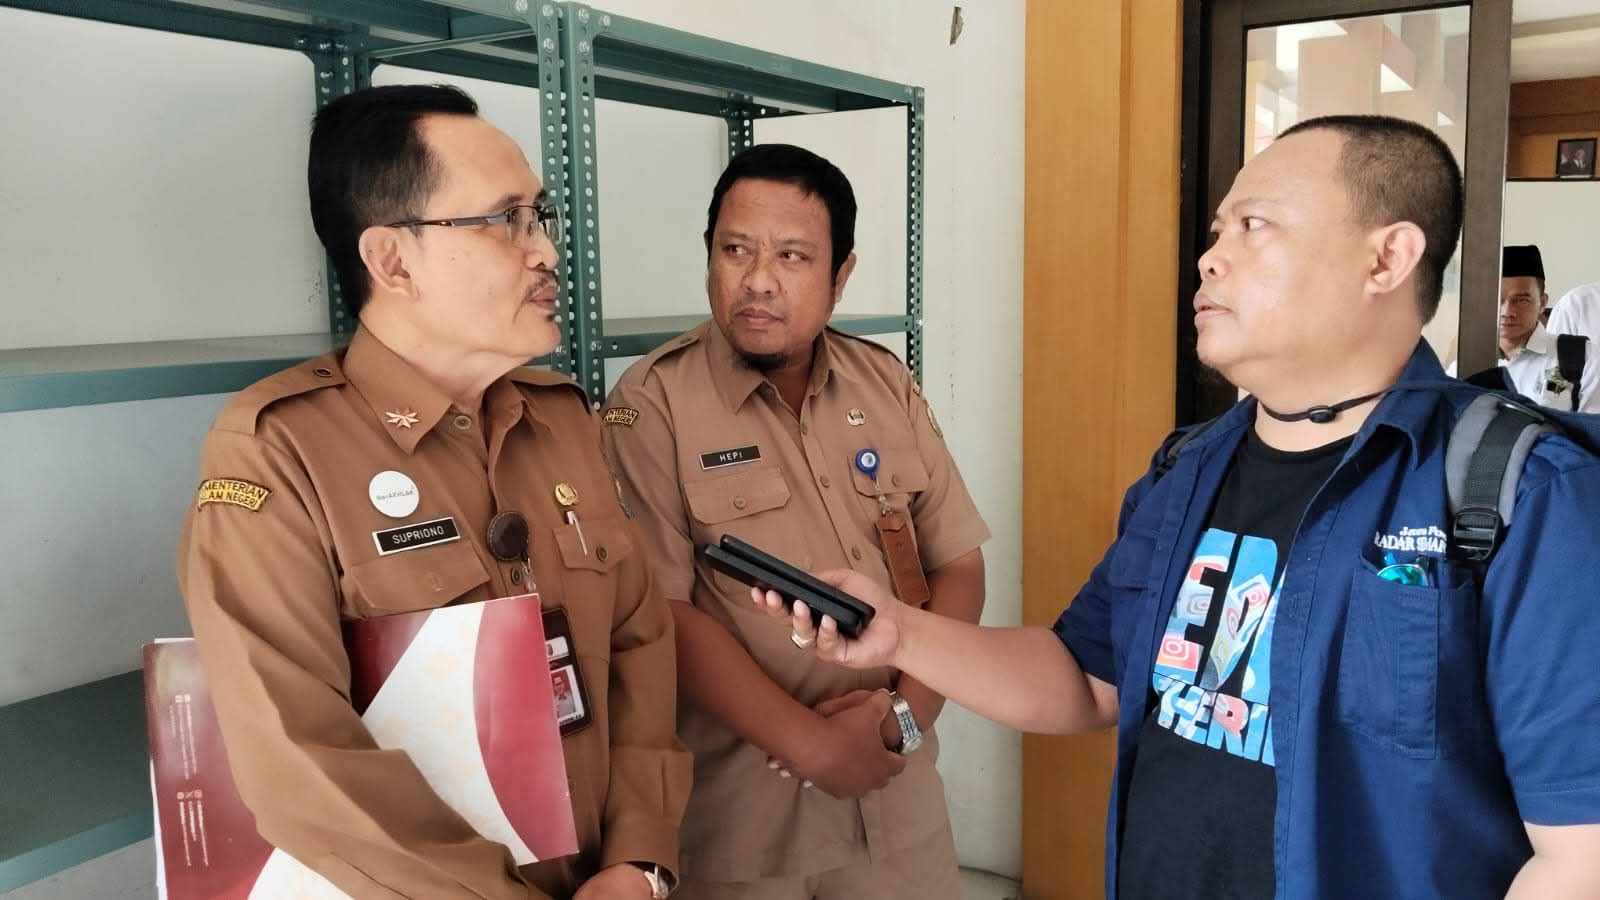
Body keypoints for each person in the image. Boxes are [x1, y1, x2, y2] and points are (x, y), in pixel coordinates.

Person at [758, 115, 1600, 898]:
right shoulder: (1187, 469)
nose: (1211, 259)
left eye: (1254, 226)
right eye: (1217, 231)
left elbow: (1578, 856)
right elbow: (1084, 679)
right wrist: (901, 633)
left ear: (1386, 259)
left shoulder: (1518, 495)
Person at [178, 84, 688, 900]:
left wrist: (640, 859)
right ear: (391, 260)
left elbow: (640, 644)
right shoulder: (279, 453)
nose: (546, 252)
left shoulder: (562, 420)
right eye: (504, 220)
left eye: (541, 216)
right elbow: (300, 761)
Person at [601, 143, 990, 899]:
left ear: (840, 275)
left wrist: (904, 718)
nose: (757, 280)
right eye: (734, 250)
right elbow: (661, 612)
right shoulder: (651, 403)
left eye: (792, 256)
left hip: (897, 801)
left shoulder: (884, 383)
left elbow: (958, 563)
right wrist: (811, 744)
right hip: (745, 825)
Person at [1491, 244, 1596, 412]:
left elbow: (1592, 424)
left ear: (1542, 303)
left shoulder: (1583, 356)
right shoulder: (1464, 364)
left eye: (1522, 300)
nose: (1507, 312)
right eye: (1498, 300)